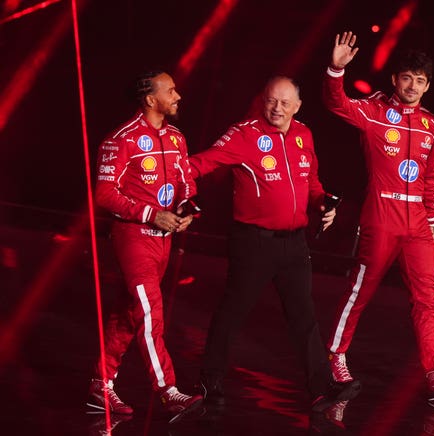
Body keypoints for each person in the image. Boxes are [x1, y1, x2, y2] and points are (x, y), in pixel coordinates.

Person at [189, 75, 361, 411]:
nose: (277, 108)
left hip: (294, 244)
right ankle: (210, 381)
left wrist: (323, 203)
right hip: (253, 243)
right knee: (232, 312)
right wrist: (168, 175)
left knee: (304, 317)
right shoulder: (244, 134)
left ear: (297, 106)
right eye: (271, 100)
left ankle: (321, 388)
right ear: (262, 100)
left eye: (284, 102)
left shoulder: (304, 135)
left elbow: (311, 182)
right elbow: (202, 162)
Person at [322, 32, 434, 398]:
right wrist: (336, 70)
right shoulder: (375, 111)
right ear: (395, 79)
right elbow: (337, 104)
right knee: (361, 290)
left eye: (420, 81)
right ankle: (334, 356)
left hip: (418, 224)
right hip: (381, 217)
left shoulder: (429, 124)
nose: (412, 86)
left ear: (427, 86)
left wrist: (431, 219)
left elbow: (433, 174)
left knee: (428, 298)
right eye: (407, 78)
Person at [86, 70, 203, 420]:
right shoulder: (120, 139)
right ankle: (168, 390)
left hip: (164, 242)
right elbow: (104, 194)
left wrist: (188, 212)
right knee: (151, 313)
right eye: (171, 90)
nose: (178, 95)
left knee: (127, 315)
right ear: (151, 100)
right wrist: (151, 214)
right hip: (133, 239)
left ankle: (100, 385)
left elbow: (187, 184)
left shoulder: (177, 137)